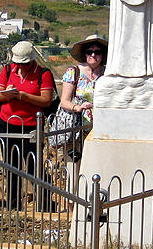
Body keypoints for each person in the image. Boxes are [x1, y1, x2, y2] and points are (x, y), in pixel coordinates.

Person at [0, 40, 55, 210]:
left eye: (24, 64)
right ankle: (14, 206)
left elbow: (46, 100)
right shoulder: (8, 70)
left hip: (31, 126)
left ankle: (45, 204)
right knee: (11, 166)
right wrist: (9, 94)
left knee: (34, 166)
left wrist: (23, 96)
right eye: (17, 63)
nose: (20, 67)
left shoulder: (43, 74)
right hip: (7, 123)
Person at [59, 34, 107, 189]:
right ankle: (73, 208)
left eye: (97, 52)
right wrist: (76, 107)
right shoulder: (73, 72)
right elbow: (64, 101)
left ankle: (95, 206)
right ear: (84, 53)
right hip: (77, 130)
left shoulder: (108, 74)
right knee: (74, 169)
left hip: (101, 129)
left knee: (99, 168)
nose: (93, 55)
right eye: (89, 51)